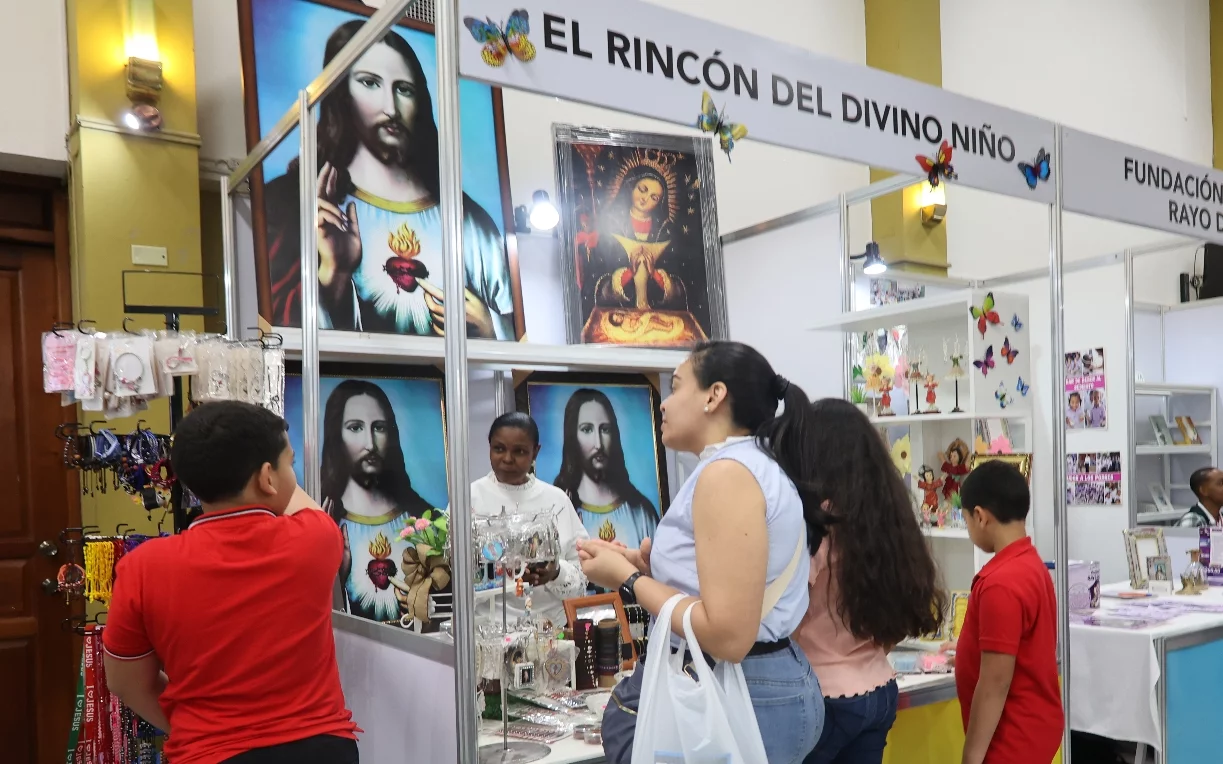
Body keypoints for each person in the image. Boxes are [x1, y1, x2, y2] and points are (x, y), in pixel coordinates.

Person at [581, 341, 824, 764]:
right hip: (757, 684)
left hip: (737, 689)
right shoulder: (746, 465)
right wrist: (645, 567)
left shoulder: (727, 475)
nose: (665, 404)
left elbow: (727, 635)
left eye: (675, 388)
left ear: (714, 395)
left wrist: (629, 580)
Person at [102, 401, 359, 763]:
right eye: (291, 463)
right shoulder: (315, 539)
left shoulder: (143, 567)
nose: (293, 473)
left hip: (208, 753)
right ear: (267, 477)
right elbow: (299, 503)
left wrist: (198, 729)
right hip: (321, 747)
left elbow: (126, 682)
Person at [264, 21, 515, 339]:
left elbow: (515, 347)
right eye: (370, 83)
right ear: (342, 93)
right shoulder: (293, 206)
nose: (391, 108)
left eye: (404, 89)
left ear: (420, 101)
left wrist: (489, 327)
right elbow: (278, 341)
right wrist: (334, 274)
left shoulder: (471, 223)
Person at [797, 400, 945, 764]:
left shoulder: (818, 522)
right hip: (878, 688)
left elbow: (785, 608)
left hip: (822, 696)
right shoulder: (887, 517)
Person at [951, 460, 1063, 764]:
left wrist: (971, 757)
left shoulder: (1000, 582)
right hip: (1034, 726)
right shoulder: (1030, 563)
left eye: (966, 520)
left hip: (1010, 738)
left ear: (980, 516)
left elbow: (994, 683)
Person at [321, 379, 439, 622]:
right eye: (355, 428)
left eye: (379, 428)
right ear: (336, 436)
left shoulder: (425, 520)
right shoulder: (324, 523)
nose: (370, 444)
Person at [471, 412, 589, 626]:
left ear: (536, 452)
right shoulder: (469, 498)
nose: (507, 458)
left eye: (519, 451)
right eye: (499, 448)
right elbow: (452, 571)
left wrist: (555, 572)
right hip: (488, 633)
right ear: (489, 446)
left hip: (551, 633)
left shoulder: (557, 501)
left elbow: (583, 576)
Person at [553, 388, 659, 549]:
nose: (598, 444)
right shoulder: (559, 511)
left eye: (605, 429)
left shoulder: (642, 513)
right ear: (572, 437)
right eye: (587, 429)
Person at [592, 164, 687, 312]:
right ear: (631, 187)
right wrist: (629, 272)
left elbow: (679, 287)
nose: (645, 199)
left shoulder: (665, 231)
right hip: (619, 314)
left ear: (660, 202)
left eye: (654, 198)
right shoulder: (613, 224)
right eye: (642, 190)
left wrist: (655, 274)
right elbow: (597, 277)